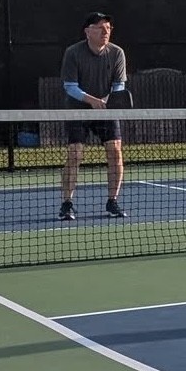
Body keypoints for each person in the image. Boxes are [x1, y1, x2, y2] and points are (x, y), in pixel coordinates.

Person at [59, 12, 129, 221]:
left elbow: (119, 84)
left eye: (108, 28)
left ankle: (112, 201)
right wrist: (92, 100)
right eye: (100, 28)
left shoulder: (117, 53)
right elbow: (70, 86)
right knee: (75, 154)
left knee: (115, 152)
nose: (105, 32)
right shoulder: (73, 53)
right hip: (77, 110)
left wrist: (107, 100)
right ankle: (67, 204)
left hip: (106, 110)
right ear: (88, 32)